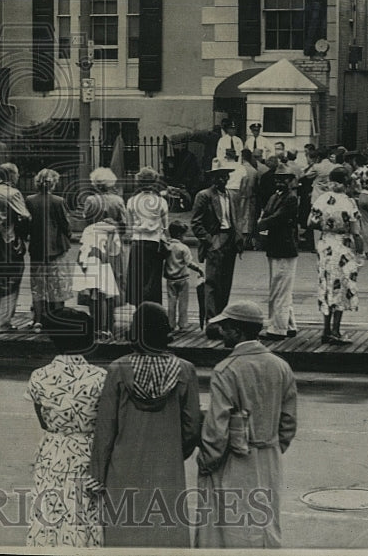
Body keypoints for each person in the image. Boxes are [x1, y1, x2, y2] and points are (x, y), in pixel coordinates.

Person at [90, 302, 201, 547]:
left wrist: (97, 474)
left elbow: (105, 429)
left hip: (124, 463)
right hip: (166, 463)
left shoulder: (118, 369)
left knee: (124, 529)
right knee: (165, 527)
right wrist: (175, 450)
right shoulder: (185, 370)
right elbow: (192, 426)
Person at [196, 301, 297, 549]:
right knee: (265, 525)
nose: (221, 333)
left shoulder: (226, 370)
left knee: (232, 529)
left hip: (235, 459)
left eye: (225, 328)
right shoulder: (281, 366)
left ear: (236, 331)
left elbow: (216, 430)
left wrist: (206, 462)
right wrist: (272, 447)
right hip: (269, 457)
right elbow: (288, 422)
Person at [25, 309, 106, 548]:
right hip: (87, 451)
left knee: (50, 513)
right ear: (89, 339)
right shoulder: (101, 377)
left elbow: (43, 421)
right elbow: (104, 421)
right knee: (83, 514)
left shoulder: (39, 376)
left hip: (53, 450)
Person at [308, 166, 363, 344]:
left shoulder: (321, 199)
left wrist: (327, 226)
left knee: (326, 284)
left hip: (325, 244)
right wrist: (360, 251)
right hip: (343, 245)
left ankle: (325, 330)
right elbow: (356, 230)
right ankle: (336, 331)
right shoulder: (349, 202)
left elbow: (311, 222)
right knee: (342, 284)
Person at [190, 161, 241, 334]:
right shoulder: (204, 196)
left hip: (230, 240)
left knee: (226, 282)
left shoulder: (231, 195)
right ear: (213, 178)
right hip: (216, 238)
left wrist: (238, 238)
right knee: (212, 282)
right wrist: (209, 241)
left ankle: (221, 317)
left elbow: (235, 219)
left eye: (226, 175)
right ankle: (211, 321)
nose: (224, 179)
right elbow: (196, 223)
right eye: (220, 176)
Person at [0, 162, 31, 332]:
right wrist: (23, 236)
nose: (18, 177)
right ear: (12, 175)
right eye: (16, 174)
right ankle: (4, 322)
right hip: (7, 240)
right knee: (11, 280)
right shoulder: (13, 193)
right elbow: (25, 217)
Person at [25, 168, 75, 331]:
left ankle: (38, 319)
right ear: (53, 183)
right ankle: (57, 318)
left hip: (37, 247)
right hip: (57, 247)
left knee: (38, 285)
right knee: (58, 284)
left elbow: (27, 224)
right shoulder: (58, 201)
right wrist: (67, 236)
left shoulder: (30, 200)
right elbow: (65, 225)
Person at [257, 168, 300, 340]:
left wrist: (261, 224)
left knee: (280, 288)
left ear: (291, 181)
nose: (280, 182)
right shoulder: (275, 196)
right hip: (275, 246)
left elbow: (278, 217)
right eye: (277, 179)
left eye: (284, 179)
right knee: (280, 286)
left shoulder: (291, 198)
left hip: (285, 247)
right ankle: (289, 324)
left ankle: (277, 328)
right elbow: (268, 213)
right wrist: (263, 221)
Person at [75, 204, 124, 340]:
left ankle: (96, 325)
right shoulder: (112, 230)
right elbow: (115, 251)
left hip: (89, 261)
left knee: (94, 296)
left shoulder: (88, 229)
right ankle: (104, 328)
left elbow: (82, 249)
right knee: (104, 296)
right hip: (103, 262)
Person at [125, 167, 169, 306]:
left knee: (137, 280)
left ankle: (138, 309)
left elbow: (129, 224)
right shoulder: (161, 201)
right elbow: (165, 226)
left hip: (137, 242)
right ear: (154, 182)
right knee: (153, 280)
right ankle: (153, 310)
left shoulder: (131, 201)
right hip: (154, 242)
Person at [162, 221, 203, 332]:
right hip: (183, 278)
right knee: (183, 302)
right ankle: (182, 324)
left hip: (170, 279)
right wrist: (199, 269)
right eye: (184, 234)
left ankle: (171, 324)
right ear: (180, 235)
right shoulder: (183, 248)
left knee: (171, 302)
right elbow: (189, 263)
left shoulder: (167, 246)